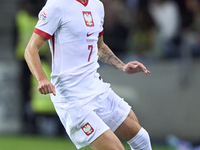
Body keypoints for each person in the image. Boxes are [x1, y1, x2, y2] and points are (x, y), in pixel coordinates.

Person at [24, 0, 152, 149]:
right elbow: (31, 49)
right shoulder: (57, 5)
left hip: (95, 87)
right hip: (71, 97)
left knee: (142, 138)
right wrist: (42, 79)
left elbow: (100, 47)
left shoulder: (97, 5)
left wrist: (123, 66)